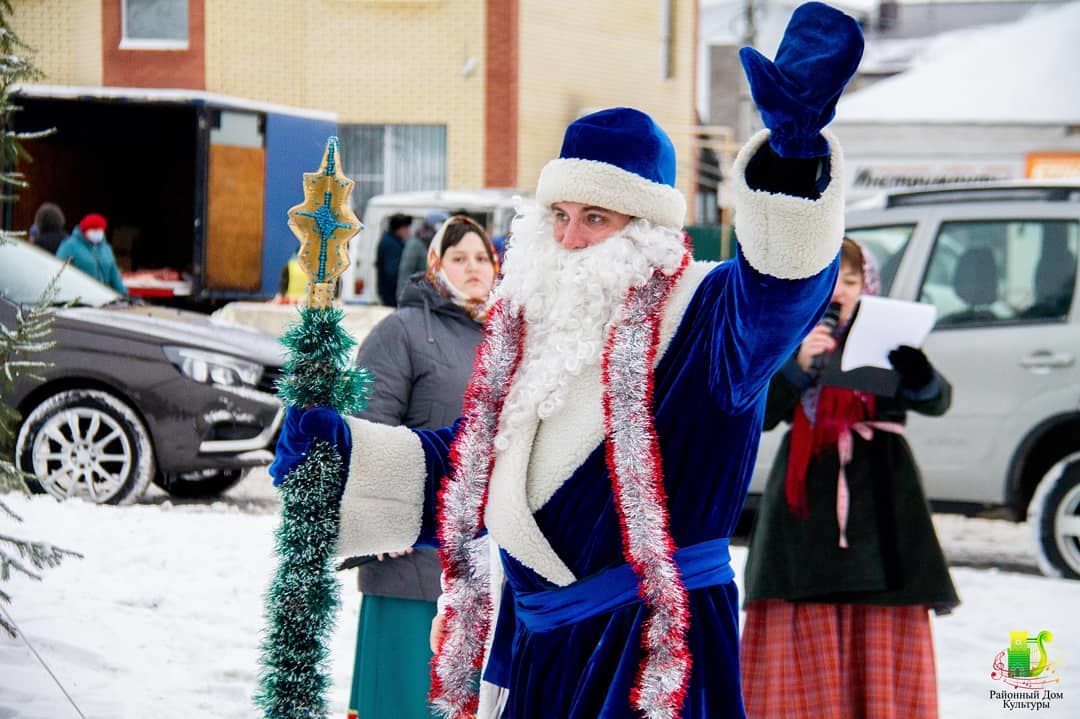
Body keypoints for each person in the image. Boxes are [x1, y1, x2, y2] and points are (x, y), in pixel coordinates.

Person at [271, 4, 864, 716]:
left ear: (644, 228)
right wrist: (348, 456)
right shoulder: (537, 333)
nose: (571, 238)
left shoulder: (706, 318)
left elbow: (779, 290)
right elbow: (477, 473)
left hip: (648, 656)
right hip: (539, 658)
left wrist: (790, 164)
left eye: (596, 218)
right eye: (560, 215)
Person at [740, 238, 959, 719]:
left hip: (881, 494)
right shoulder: (789, 332)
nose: (841, 291)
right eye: (832, 280)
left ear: (869, 286)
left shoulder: (887, 334)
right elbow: (757, 415)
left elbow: (938, 400)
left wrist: (918, 374)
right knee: (803, 600)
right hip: (806, 499)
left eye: (853, 281)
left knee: (880, 607)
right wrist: (796, 368)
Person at [346, 215, 498, 719]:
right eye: (459, 257)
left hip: (484, 565)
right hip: (410, 561)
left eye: (481, 257)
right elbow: (367, 427)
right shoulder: (402, 331)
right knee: (405, 699)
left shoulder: (507, 335)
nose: (473, 267)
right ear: (435, 266)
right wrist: (388, 517)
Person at [57, 213, 127, 294]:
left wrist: (124, 294)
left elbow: (114, 275)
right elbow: (60, 272)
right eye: (94, 229)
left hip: (103, 297)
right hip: (79, 297)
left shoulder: (106, 248)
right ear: (85, 230)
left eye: (100, 230)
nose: (98, 233)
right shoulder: (69, 246)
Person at [397, 210, 450, 302]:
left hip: (430, 299)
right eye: (442, 224)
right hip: (415, 299)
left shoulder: (436, 244)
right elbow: (406, 272)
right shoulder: (416, 244)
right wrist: (402, 299)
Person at [376, 212, 413, 307]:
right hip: (391, 293)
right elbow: (393, 271)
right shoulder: (392, 244)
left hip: (388, 291)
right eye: (406, 228)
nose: (408, 231)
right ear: (399, 229)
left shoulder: (391, 241)